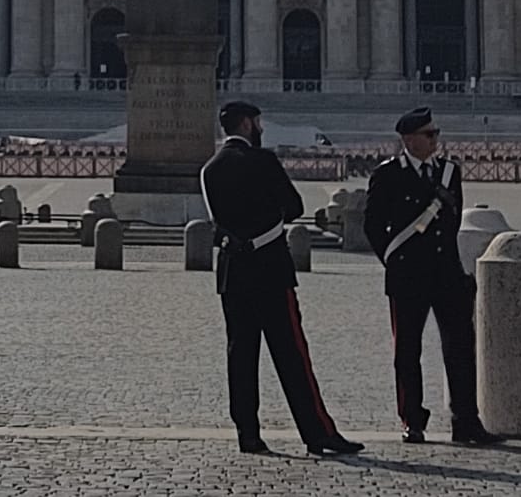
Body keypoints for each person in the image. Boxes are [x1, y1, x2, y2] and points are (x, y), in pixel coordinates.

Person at [200, 100, 361, 457]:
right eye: (257, 123)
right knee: (292, 354)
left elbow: (217, 221)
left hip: (232, 271)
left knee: (240, 354)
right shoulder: (264, 161)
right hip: (270, 267)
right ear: (245, 124)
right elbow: (295, 207)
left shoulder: (209, 169)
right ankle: (317, 432)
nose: (261, 129)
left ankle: (248, 433)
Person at [362, 108, 500, 445]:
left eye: (436, 133)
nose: (435, 139)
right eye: (429, 134)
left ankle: (465, 421)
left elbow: (450, 224)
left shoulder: (449, 172)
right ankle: (413, 419)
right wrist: (393, 262)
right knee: (407, 350)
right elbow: (373, 226)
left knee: (460, 348)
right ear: (409, 140)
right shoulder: (388, 175)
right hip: (408, 275)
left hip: (446, 273)